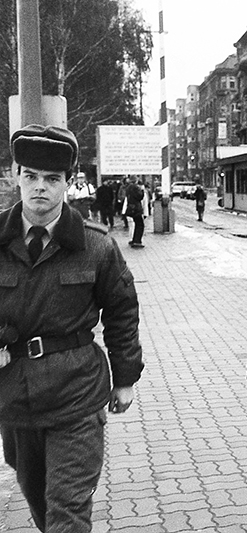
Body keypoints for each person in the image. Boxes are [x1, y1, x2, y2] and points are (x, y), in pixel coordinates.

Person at [0, 124, 144, 533]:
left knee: (68, 509)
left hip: (77, 393)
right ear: (16, 176)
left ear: (68, 183)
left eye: (52, 179)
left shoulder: (96, 246)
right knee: (40, 500)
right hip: (15, 395)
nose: (40, 187)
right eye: (30, 176)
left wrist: (125, 379)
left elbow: (121, 312)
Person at [125, 179, 145, 248]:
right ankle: (137, 241)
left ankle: (134, 240)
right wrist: (142, 190)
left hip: (131, 208)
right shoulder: (135, 187)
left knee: (137, 224)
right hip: (136, 208)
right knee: (140, 225)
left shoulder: (128, 187)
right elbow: (140, 197)